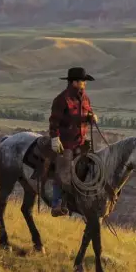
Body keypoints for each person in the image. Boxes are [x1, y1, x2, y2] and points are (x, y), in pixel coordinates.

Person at [49, 67, 98, 217]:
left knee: (92, 165)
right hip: (65, 142)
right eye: (83, 81)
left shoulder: (85, 98)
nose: (85, 84)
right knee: (63, 169)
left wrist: (91, 117)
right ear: (75, 82)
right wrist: (55, 138)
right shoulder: (61, 99)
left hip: (80, 141)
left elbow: (86, 113)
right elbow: (54, 121)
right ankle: (56, 203)